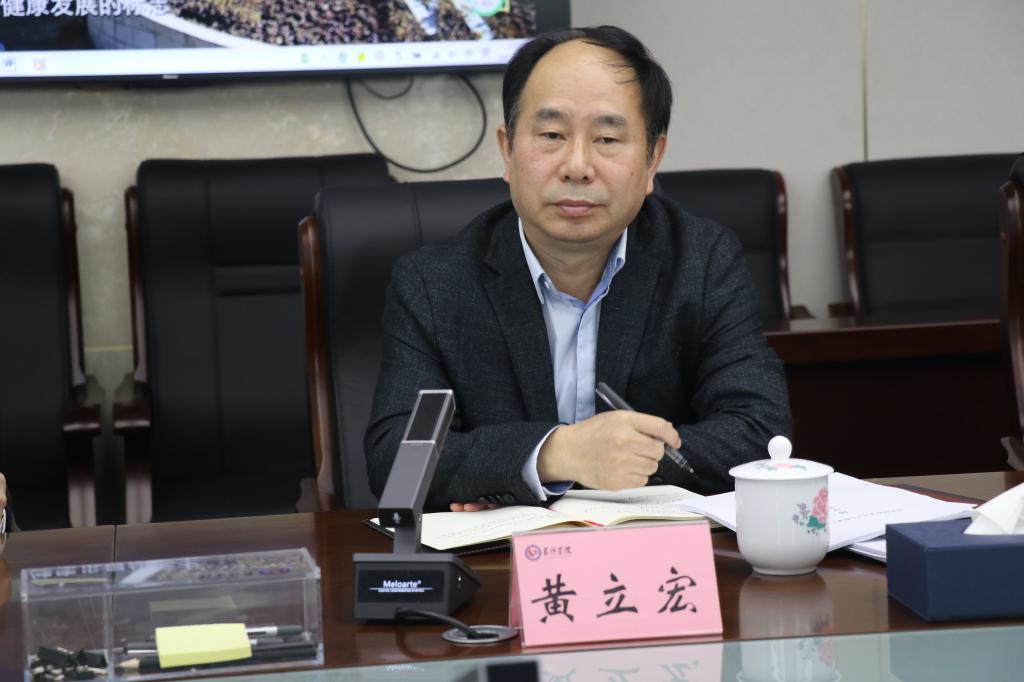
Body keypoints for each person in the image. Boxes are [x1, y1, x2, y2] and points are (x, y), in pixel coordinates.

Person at [365, 25, 791, 511]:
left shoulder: (702, 261)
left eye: (607, 138)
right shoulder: (434, 283)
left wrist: (612, 463)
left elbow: (761, 434)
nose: (577, 166)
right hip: (503, 555)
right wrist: (556, 454)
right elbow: (398, 461)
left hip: (651, 550)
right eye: (551, 135)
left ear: (652, 160)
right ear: (507, 151)